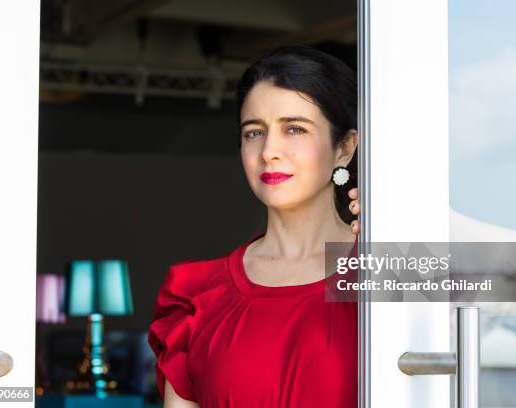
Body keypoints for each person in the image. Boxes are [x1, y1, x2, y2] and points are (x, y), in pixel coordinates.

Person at [148, 45, 363, 408]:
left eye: (294, 129)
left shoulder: (387, 271)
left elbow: (491, 287)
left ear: (344, 147)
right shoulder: (196, 292)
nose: (269, 150)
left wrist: (411, 218)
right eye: (254, 132)